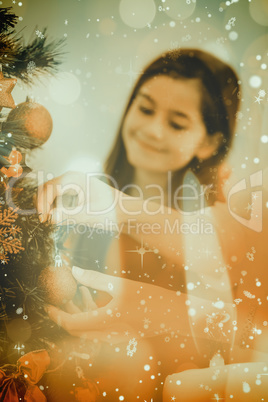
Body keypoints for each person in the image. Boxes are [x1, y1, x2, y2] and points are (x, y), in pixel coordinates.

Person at [37, 48, 268, 400]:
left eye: (176, 123)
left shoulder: (227, 220)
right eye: (144, 108)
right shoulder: (82, 212)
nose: (151, 130)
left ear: (210, 143)